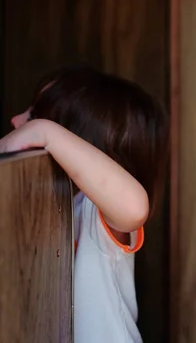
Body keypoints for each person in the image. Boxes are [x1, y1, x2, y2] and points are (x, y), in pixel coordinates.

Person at [0, 65, 169, 343]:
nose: (17, 120)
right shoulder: (54, 203)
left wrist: (44, 131)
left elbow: (135, 207)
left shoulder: (95, 213)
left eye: (33, 116)